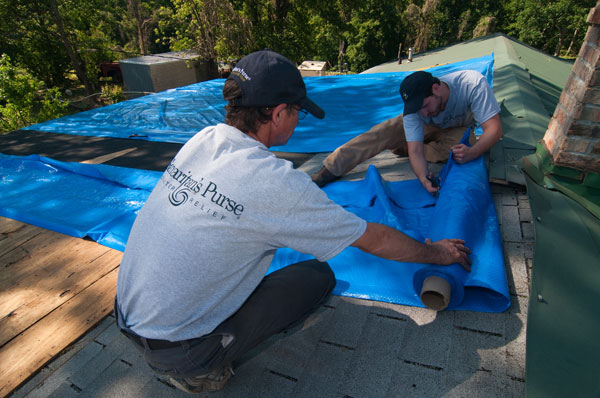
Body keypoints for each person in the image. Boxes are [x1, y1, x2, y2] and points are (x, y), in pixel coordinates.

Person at [114, 50, 472, 394]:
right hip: (180, 350)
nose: (299, 120)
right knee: (317, 277)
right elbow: (374, 240)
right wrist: (436, 254)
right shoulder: (276, 183)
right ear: (279, 113)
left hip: (126, 314)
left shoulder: (204, 139)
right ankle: (201, 370)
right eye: (298, 111)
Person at [311, 70, 502, 193]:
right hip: (424, 130)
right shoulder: (417, 111)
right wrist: (423, 177)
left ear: (436, 88)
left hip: (457, 129)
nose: (425, 113)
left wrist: (473, 152)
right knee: (382, 132)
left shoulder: (472, 84)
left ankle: (403, 147)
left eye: (426, 105)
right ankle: (329, 170)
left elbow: (494, 129)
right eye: (418, 109)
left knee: (462, 149)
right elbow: (416, 151)